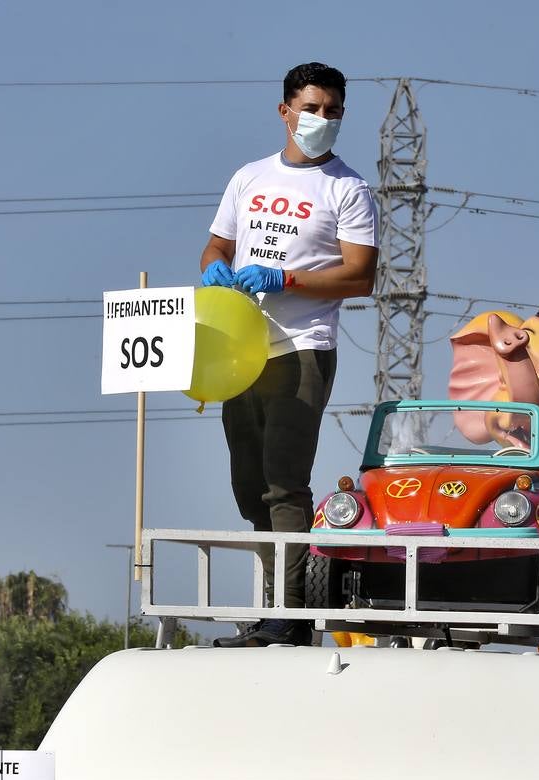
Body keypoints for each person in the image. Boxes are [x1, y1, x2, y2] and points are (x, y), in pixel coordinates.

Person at [198, 62, 379, 647]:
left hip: (303, 350)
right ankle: (277, 605)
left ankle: (292, 616)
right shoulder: (249, 177)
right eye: (311, 108)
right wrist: (214, 272)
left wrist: (289, 278)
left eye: (332, 111)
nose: (321, 119)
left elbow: (361, 276)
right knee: (249, 484)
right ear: (284, 111)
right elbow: (215, 246)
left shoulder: (347, 188)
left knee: (283, 480)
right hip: (242, 349)